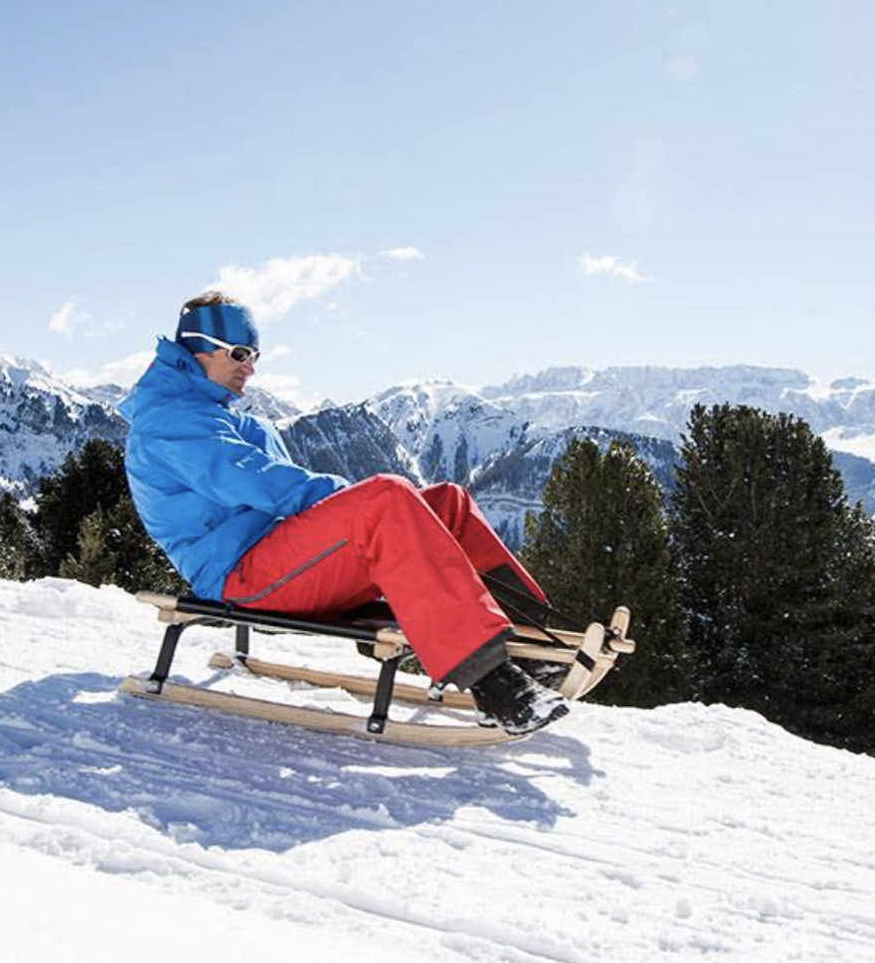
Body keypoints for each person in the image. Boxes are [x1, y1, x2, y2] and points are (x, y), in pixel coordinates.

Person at [123, 292, 569, 734]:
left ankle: (532, 643)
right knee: (386, 498)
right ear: (197, 348)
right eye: (239, 353)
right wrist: (357, 498)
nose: (250, 366)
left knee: (445, 502)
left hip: (289, 561)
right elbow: (259, 480)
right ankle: (491, 683)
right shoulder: (171, 422)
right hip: (242, 578)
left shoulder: (222, 415)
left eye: (254, 354)